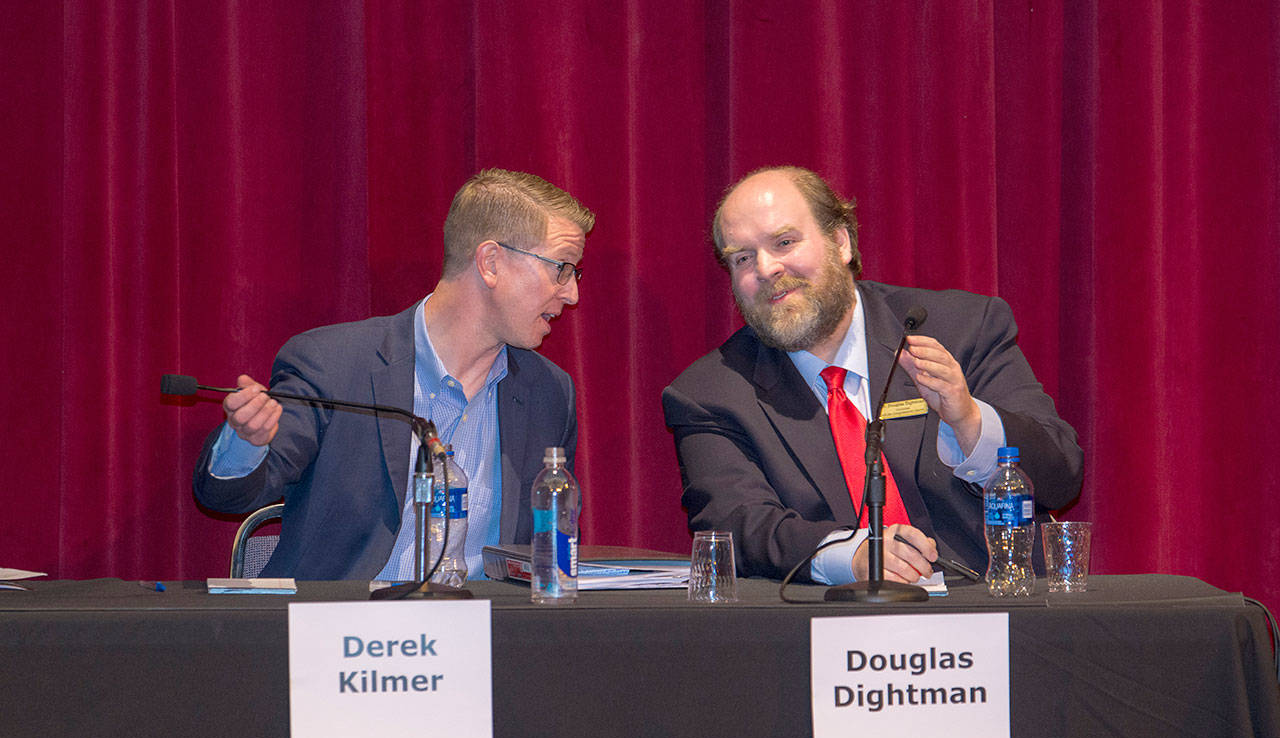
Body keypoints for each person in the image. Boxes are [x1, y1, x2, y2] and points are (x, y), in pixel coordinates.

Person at [661, 166, 1082, 585]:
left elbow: (1061, 478)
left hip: (992, 614)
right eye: (742, 257)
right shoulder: (711, 393)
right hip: (831, 633)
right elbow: (737, 526)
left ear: (840, 241)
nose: (766, 268)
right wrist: (852, 554)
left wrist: (971, 422)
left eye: (785, 242)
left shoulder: (962, 329)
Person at [193, 168, 594, 581]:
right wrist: (246, 442)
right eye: (561, 268)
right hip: (346, 635)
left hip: (484, 635)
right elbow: (227, 495)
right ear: (490, 263)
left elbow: (552, 552)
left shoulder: (549, 392)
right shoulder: (336, 366)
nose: (571, 293)